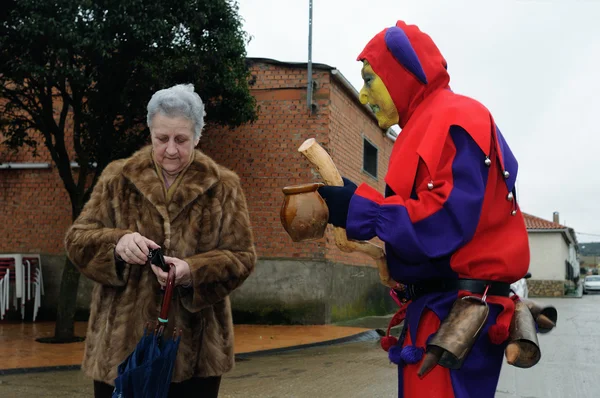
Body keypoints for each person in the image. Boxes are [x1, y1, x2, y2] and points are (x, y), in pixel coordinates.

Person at [317, 21, 531, 397]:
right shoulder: (430, 123)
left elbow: (446, 218)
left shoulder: (452, 117)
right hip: (441, 308)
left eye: (370, 80)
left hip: (453, 312)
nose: (365, 96)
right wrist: (359, 206)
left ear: (403, 75)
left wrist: (364, 212)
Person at [64, 83, 256, 398]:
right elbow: (77, 239)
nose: (170, 149)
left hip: (195, 355)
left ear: (197, 136)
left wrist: (193, 271)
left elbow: (242, 257)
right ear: (150, 132)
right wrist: (117, 244)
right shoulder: (118, 177)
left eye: (181, 140)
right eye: (161, 138)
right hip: (121, 354)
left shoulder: (224, 186)